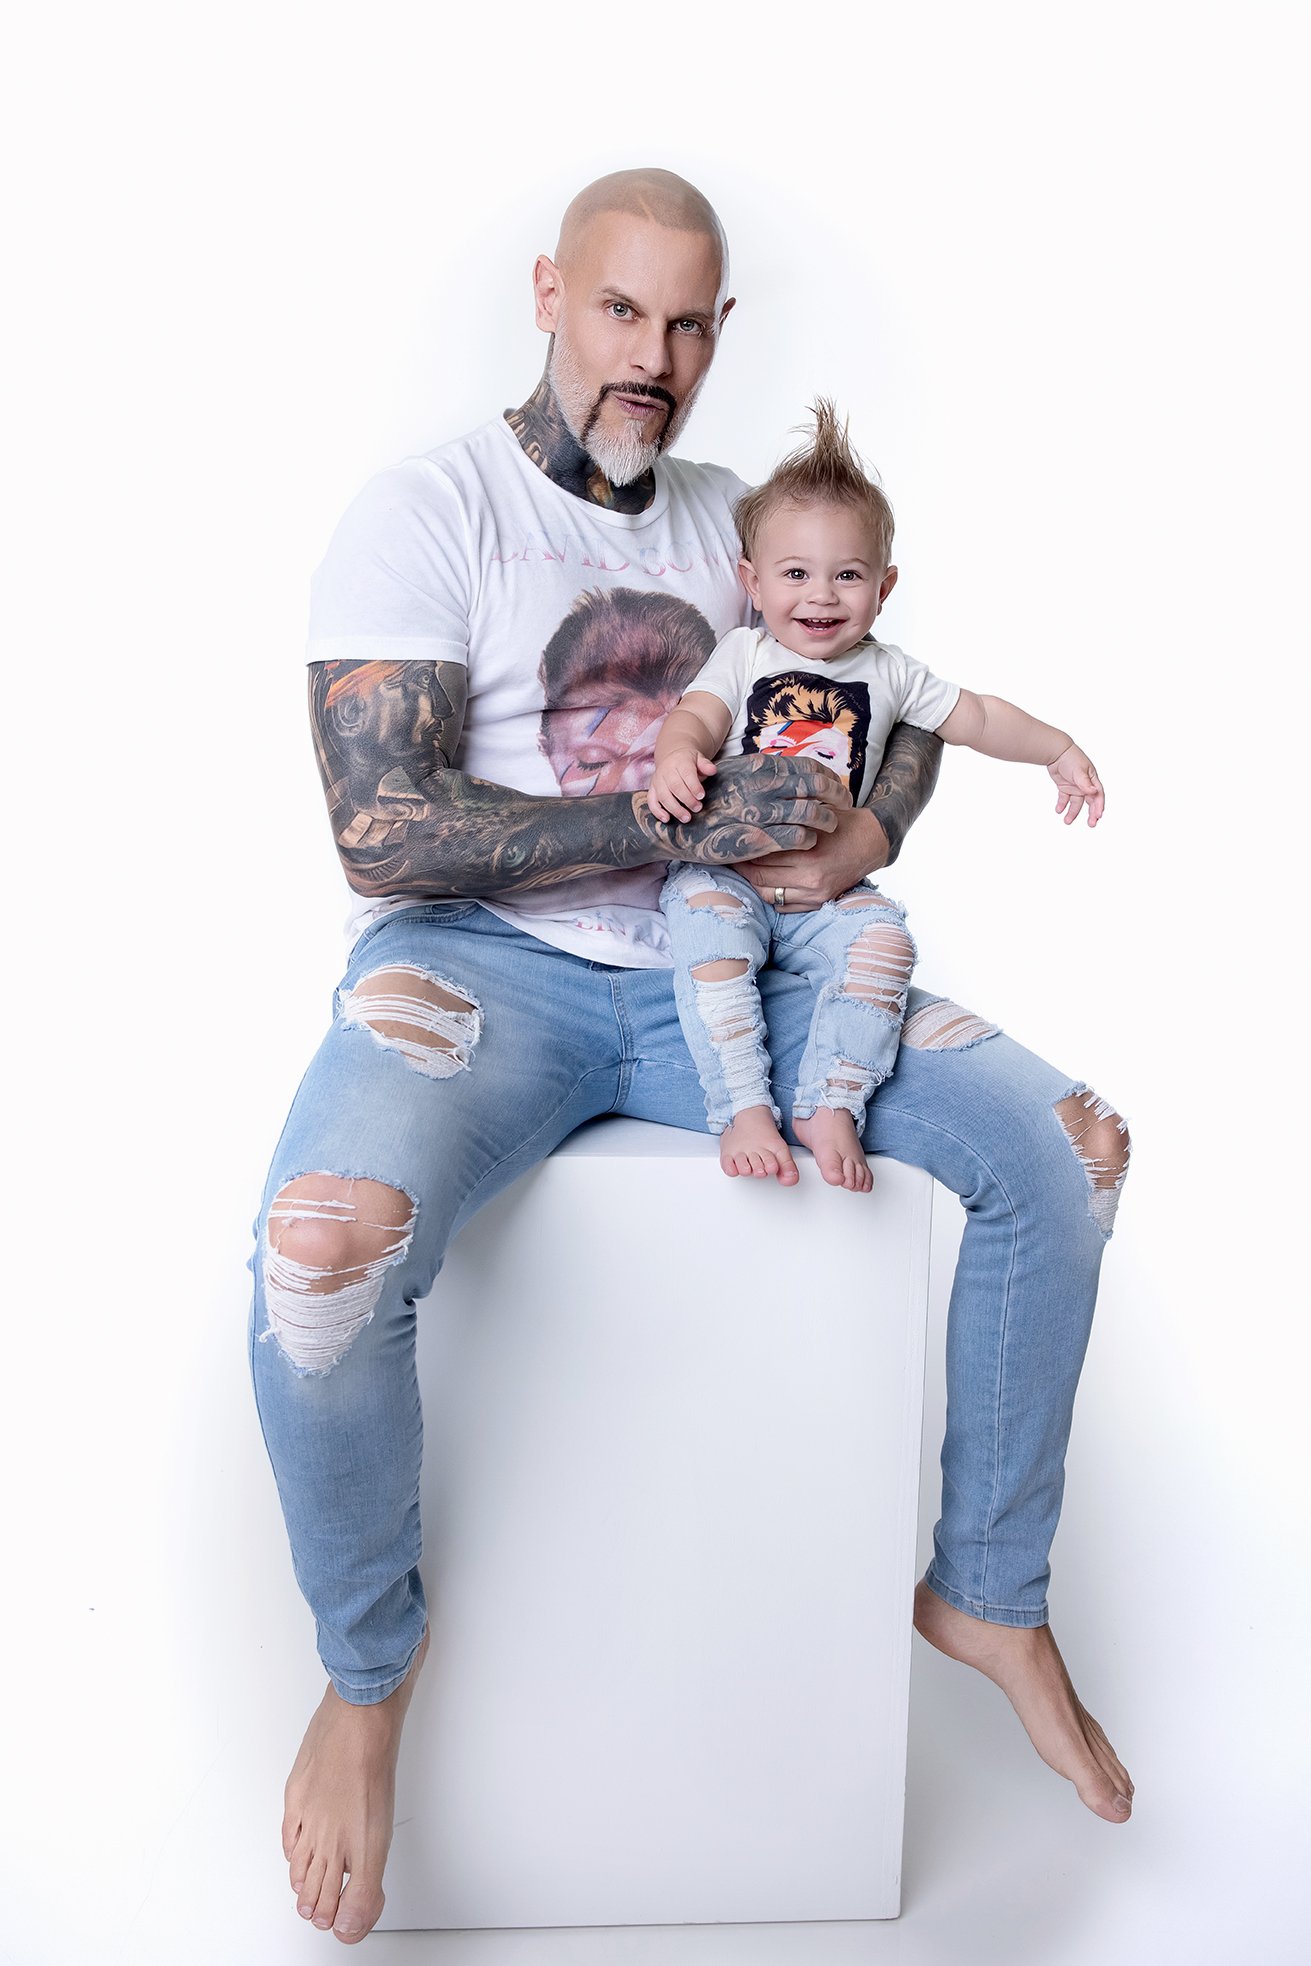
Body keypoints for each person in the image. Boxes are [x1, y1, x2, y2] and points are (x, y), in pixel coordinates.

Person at [252, 167, 1134, 1945]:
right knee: (319, 1254)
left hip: (731, 969)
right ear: (547, 295)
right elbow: (381, 829)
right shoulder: (429, 510)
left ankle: (986, 1588)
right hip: (479, 973)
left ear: (717, 332)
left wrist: (863, 837)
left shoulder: (742, 520)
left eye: (682, 324)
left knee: (1066, 1146)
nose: (647, 355)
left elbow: (899, 699)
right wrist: (678, 823)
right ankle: (363, 1677)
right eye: (616, 310)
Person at [649, 399, 1104, 1192]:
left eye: (847, 575)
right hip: (728, 875)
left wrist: (1056, 748)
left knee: (886, 941)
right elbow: (695, 716)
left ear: (884, 586)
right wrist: (677, 757)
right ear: (752, 582)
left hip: (829, 893)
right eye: (795, 574)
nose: (821, 596)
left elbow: (977, 717)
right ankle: (742, 1105)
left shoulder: (891, 672)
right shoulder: (742, 653)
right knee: (707, 937)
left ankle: (831, 1100)